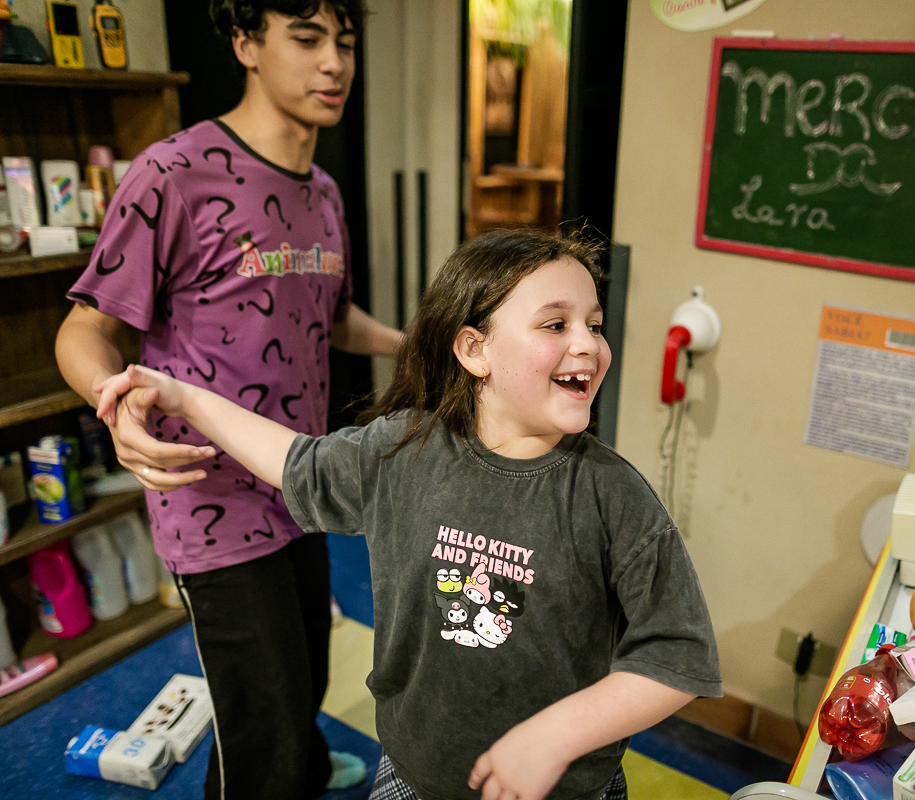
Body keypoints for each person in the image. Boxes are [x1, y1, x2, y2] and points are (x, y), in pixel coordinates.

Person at [94, 229, 723, 800]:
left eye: (594, 323)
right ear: (474, 351)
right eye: (555, 325)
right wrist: (183, 397)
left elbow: (677, 658)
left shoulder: (613, 495)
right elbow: (298, 462)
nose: (588, 345)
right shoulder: (404, 450)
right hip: (413, 774)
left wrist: (555, 736)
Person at [54, 2, 401, 797]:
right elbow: (84, 331)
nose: (334, 65)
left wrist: (407, 342)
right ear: (245, 43)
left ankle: (306, 769)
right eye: (307, 39)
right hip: (208, 496)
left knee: (307, 668)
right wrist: (114, 403)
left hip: (301, 479)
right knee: (262, 715)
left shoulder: (323, 191)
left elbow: (328, 314)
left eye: (344, 44)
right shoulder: (172, 175)